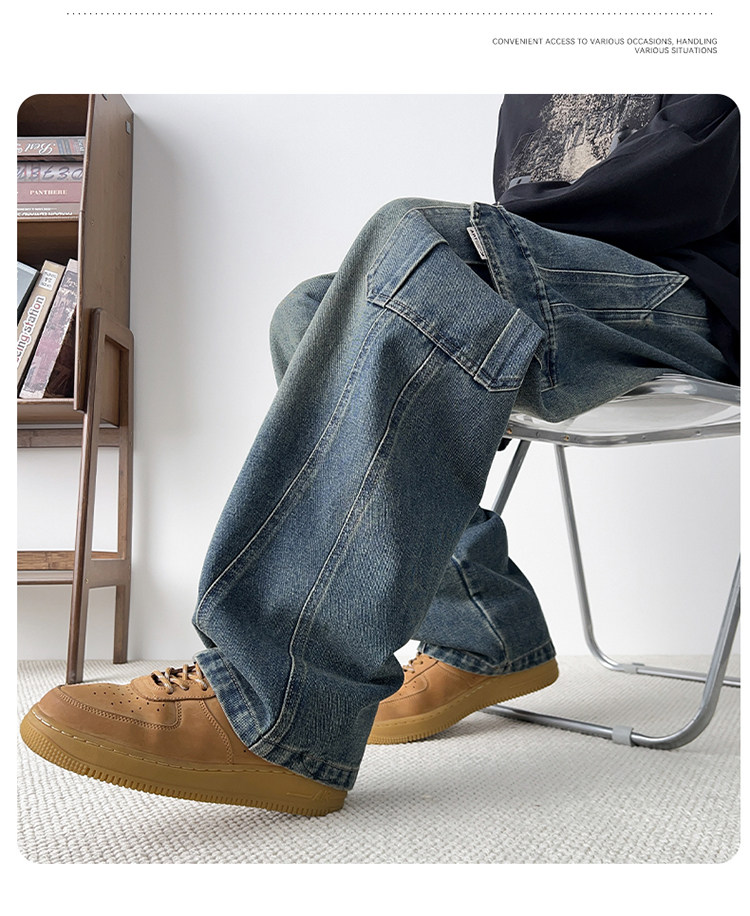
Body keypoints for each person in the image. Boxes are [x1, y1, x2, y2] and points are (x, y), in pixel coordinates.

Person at [21, 95, 739, 817]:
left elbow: (696, 177)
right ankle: (481, 628)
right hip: (560, 279)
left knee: (416, 240)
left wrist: (506, 237)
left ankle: (279, 702)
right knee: (309, 309)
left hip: (685, 296)